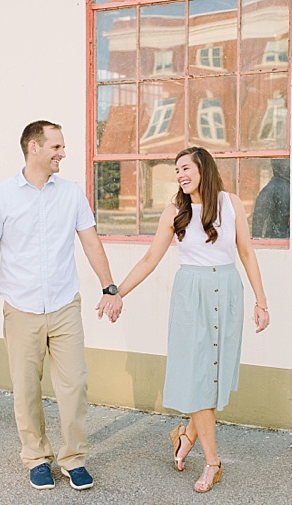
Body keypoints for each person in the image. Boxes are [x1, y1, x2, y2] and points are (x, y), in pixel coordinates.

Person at [0, 120, 123, 491]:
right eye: (56, 146)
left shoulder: (71, 193)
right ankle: (37, 458)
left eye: (63, 146)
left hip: (64, 306)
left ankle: (74, 459)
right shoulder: (1, 196)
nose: (63, 153)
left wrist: (109, 287)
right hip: (21, 308)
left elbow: (90, 242)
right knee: (25, 389)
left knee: (75, 385)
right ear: (34, 147)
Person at [116, 146, 270, 493]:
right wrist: (117, 292)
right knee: (199, 378)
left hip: (227, 290)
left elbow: (246, 251)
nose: (180, 175)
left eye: (185, 168)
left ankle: (186, 434)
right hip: (191, 295)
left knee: (212, 376)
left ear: (203, 168)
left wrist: (262, 301)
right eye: (176, 170)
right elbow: (150, 259)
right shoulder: (175, 211)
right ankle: (213, 463)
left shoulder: (230, 203)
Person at [251, 158, 290, 239]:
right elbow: (258, 221)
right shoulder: (282, 188)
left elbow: (257, 223)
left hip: (274, 239)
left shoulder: (268, 189)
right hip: (279, 239)